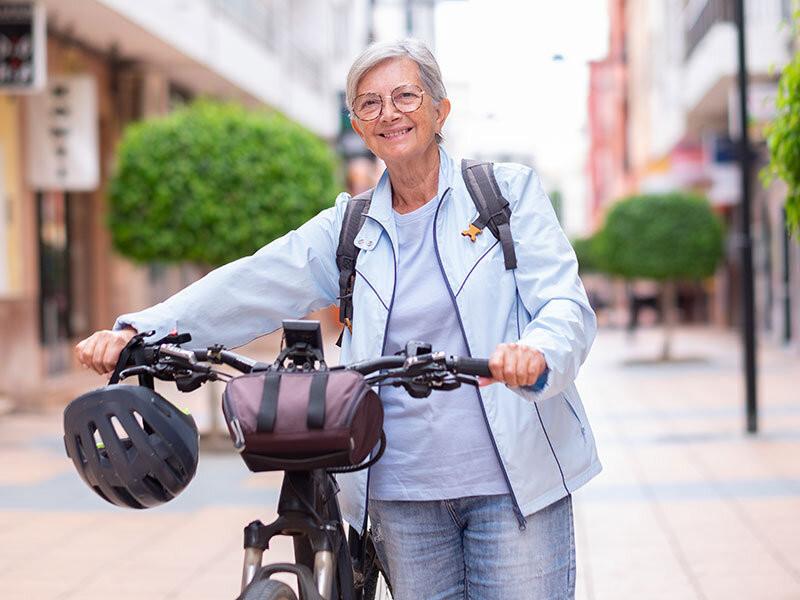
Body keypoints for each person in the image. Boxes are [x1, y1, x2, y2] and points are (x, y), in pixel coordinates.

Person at [76, 39, 600, 600]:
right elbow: (251, 283)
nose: (389, 114)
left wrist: (538, 352)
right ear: (356, 123)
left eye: (405, 96)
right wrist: (138, 331)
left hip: (514, 485)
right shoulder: (348, 227)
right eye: (370, 104)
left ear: (441, 110)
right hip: (400, 493)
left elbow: (564, 305)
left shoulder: (503, 195)